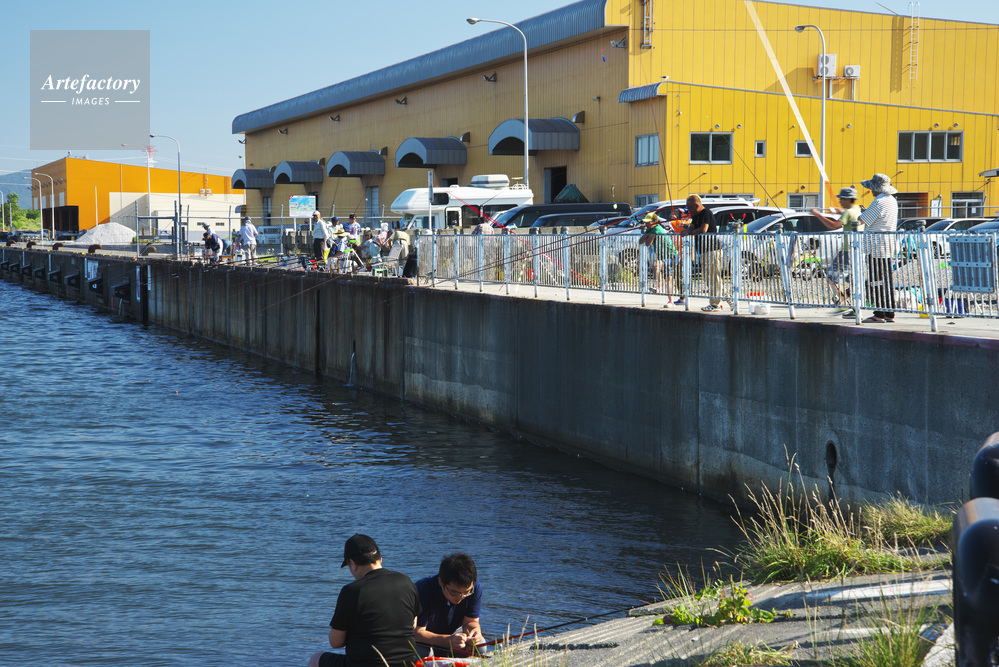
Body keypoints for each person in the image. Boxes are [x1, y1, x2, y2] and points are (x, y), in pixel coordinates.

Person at [308, 534, 421, 667]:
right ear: (380, 558)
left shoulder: (352, 591)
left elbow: (335, 642)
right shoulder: (406, 581)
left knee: (316, 659)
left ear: (353, 564)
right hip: (407, 664)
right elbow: (412, 626)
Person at [414, 553, 483, 655]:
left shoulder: (474, 588)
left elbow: (471, 621)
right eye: (454, 593)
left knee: (481, 647)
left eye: (466, 592)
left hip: (453, 636)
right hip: (426, 640)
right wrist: (448, 641)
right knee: (422, 653)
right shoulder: (422, 590)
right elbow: (417, 633)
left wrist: (474, 631)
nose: (461, 597)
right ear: (441, 582)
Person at [854, 173, 899, 323]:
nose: (871, 190)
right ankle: (889, 313)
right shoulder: (891, 201)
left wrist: (863, 212)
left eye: (872, 188)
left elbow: (861, 220)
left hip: (876, 247)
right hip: (888, 245)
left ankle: (878, 314)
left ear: (876, 188)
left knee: (876, 280)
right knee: (887, 280)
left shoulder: (878, 202)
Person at [811, 186, 863, 312]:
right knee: (851, 278)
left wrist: (818, 215)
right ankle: (852, 300)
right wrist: (840, 212)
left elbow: (833, 225)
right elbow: (849, 216)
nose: (839, 201)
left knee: (831, 276)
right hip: (857, 249)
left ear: (848, 199)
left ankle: (844, 300)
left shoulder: (848, 212)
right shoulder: (857, 210)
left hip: (847, 250)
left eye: (841, 199)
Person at [679, 194, 726, 311]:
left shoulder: (706, 213)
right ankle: (729, 299)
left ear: (696, 205)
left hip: (712, 249)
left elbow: (703, 229)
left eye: (690, 208)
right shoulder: (696, 215)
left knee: (713, 277)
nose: (689, 210)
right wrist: (686, 229)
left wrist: (689, 233)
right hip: (703, 250)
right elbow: (693, 226)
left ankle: (715, 304)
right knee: (708, 277)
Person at [638, 212, 677, 303]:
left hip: (671, 255)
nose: (646, 224)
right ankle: (658, 287)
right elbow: (640, 241)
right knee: (656, 265)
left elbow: (647, 243)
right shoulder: (650, 229)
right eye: (646, 222)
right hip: (663, 256)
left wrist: (647, 235)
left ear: (654, 222)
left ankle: (670, 300)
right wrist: (647, 234)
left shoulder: (656, 229)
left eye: (648, 222)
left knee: (668, 278)